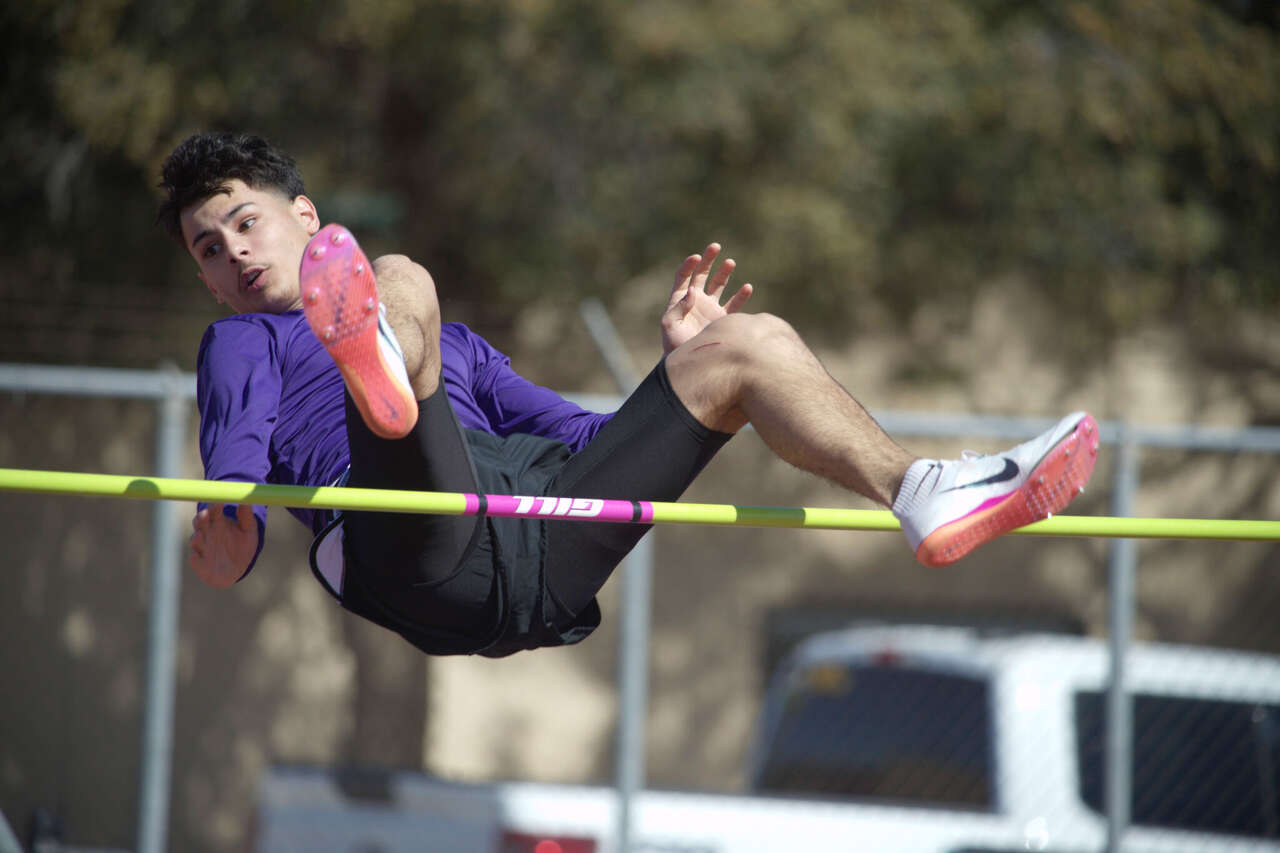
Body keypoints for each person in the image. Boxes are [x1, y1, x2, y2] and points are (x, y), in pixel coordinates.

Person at [159, 131, 1097, 658]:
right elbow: (231, 510)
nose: (235, 251)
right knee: (402, 272)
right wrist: (221, 537)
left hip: (539, 547)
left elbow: (591, 447)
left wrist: (674, 376)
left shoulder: (469, 350)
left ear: (304, 218)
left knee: (745, 347)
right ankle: (387, 384)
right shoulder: (241, 342)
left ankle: (917, 489)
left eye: (246, 222)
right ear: (206, 276)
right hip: (412, 538)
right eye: (210, 247)